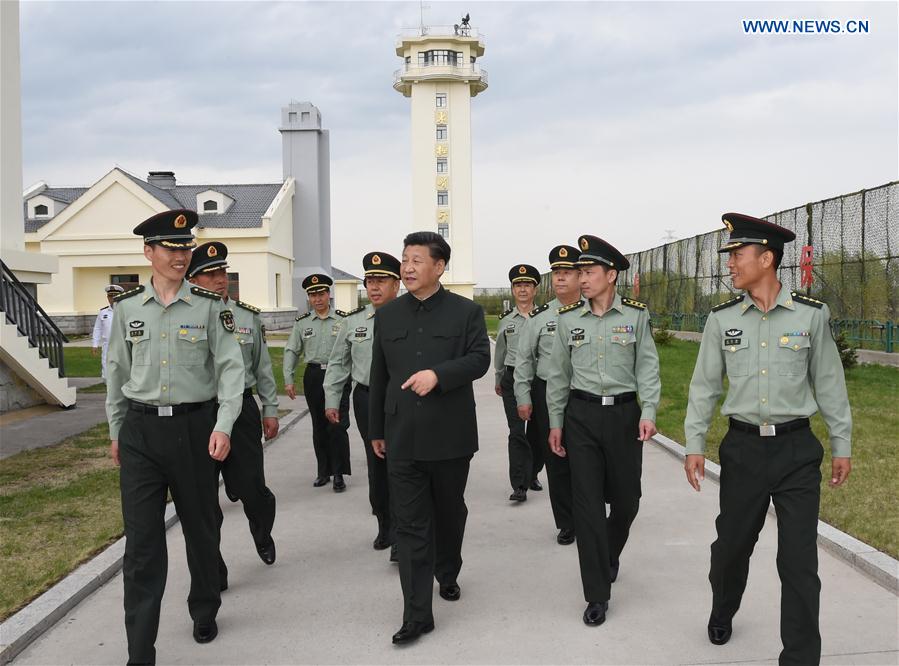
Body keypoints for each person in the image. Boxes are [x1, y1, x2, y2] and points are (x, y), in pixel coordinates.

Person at [683, 213, 852, 665]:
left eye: (738, 255)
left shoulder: (811, 316)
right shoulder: (721, 321)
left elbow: (830, 383)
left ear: (767, 258)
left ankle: (799, 658)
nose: (731, 264)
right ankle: (724, 607)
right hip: (743, 451)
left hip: (796, 451)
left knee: (798, 563)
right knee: (731, 548)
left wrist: (842, 444)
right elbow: (704, 386)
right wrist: (694, 444)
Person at [105, 209, 244, 663]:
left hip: (195, 430)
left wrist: (223, 426)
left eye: (185, 248)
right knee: (142, 546)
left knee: (202, 530)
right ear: (149, 252)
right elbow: (115, 375)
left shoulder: (209, 308)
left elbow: (230, 371)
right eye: (171, 248)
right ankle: (140, 650)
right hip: (141, 433)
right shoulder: (126, 311)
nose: (180, 256)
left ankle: (204, 608)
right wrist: (116, 431)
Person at [369, 231, 491, 645]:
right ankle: (417, 615)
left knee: (450, 512)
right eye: (405, 259)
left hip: (450, 436)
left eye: (417, 260)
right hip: (402, 436)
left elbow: (479, 359)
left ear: (439, 266)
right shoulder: (387, 316)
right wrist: (375, 431)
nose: (407, 267)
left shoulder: (466, 313)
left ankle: (448, 569)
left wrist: (440, 375)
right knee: (411, 526)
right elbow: (379, 377)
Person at [546, 234, 660, 627]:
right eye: (579, 272)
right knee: (588, 506)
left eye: (589, 271)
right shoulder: (567, 320)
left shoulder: (635, 316)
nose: (582, 279)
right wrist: (557, 423)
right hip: (581, 417)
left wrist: (650, 411)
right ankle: (596, 593)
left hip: (625, 417)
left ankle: (609, 553)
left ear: (611, 275)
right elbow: (558, 376)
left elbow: (647, 366)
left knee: (628, 501)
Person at [187, 241, 279, 583]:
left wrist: (270, 409)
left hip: (240, 409)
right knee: (203, 498)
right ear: (193, 279)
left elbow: (263, 367)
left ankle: (261, 529)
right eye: (210, 274)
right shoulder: (183, 315)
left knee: (252, 487)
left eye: (222, 272)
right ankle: (214, 565)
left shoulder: (247, 317)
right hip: (198, 412)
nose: (219, 279)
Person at [324, 252, 401, 558]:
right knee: (376, 462)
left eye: (381, 280)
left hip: (403, 399)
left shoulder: (410, 317)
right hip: (367, 399)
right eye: (370, 280)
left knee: (403, 464)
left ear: (396, 284)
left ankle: (403, 532)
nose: (374, 287)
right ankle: (384, 523)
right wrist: (332, 399)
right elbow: (338, 363)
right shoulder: (354, 322)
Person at [514, 245, 582, 545]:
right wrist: (523, 397)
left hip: (583, 394)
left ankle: (590, 512)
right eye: (556, 273)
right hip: (545, 393)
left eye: (567, 273)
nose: (560, 279)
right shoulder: (540, 317)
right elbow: (524, 360)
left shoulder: (594, 310)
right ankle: (567, 521)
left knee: (587, 458)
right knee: (556, 459)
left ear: (581, 276)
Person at [283, 273, 352, 492]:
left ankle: (339, 473)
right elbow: (292, 350)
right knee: (319, 426)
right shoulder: (302, 323)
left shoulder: (343, 320)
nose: (317, 299)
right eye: (313, 295)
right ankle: (324, 471)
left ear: (328, 295)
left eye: (321, 294)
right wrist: (288, 378)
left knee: (337, 425)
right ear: (309, 298)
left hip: (338, 376)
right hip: (313, 376)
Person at [495, 263, 544, 502]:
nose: (522, 290)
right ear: (513, 290)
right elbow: (500, 352)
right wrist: (498, 377)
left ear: (535, 289)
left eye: (527, 285)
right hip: (512, 378)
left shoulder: (546, 317)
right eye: (518, 285)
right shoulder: (506, 320)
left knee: (538, 432)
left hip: (539, 379)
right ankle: (519, 485)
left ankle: (532, 471)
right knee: (517, 431)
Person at [92, 284, 125, 380]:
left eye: (115, 295)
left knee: (123, 366)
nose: (112, 298)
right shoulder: (103, 312)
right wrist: (95, 344)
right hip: (107, 344)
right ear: (107, 297)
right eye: (110, 296)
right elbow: (97, 329)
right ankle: (109, 387)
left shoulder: (126, 310)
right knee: (106, 366)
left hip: (122, 344)